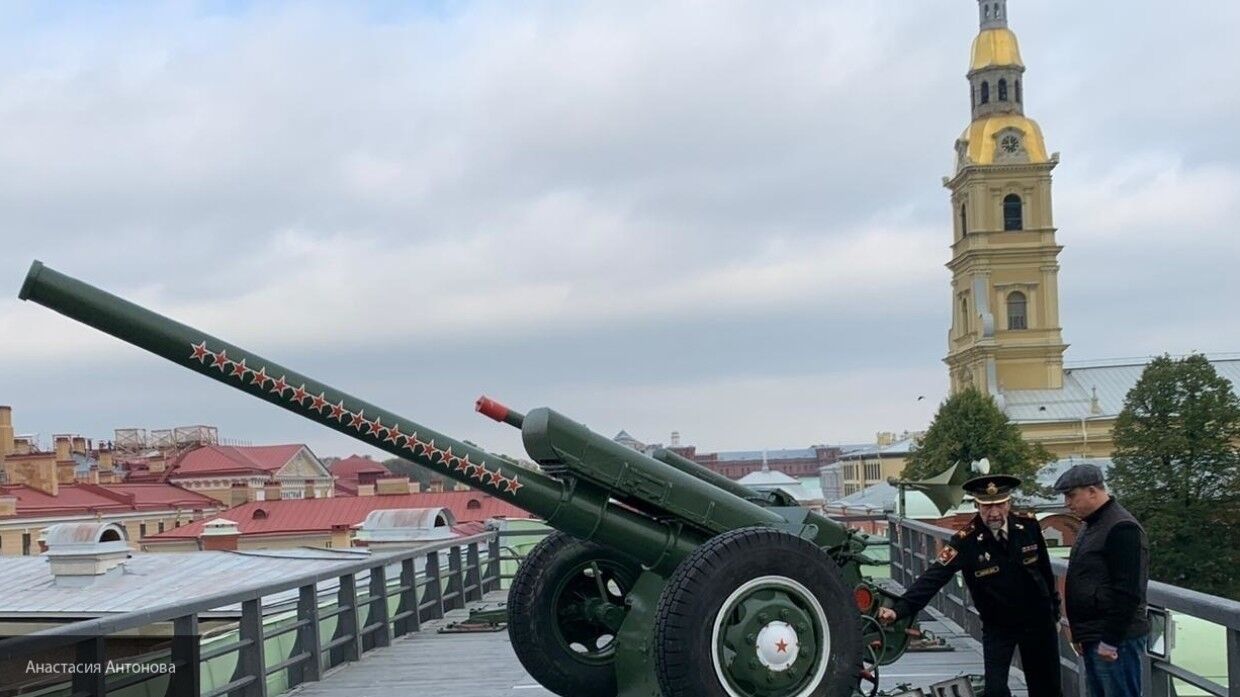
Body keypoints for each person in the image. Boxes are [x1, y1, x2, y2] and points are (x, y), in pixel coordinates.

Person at [878, 474, 1062, 697]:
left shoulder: (1029, 528)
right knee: (995, 691)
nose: (994, 513)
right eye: (986, 507)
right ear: (977, 505)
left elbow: (1045, 572)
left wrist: (1055, 612)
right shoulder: (966, 541)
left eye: (999, 505)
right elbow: (933, 578)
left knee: (1047, 688)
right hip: (999, 626)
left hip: (1038, 621)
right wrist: (899, 610)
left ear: (1009, 503)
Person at [1054, 463, 1149, 697]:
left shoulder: (1121, 528)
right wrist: (1079, 633)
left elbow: (1128, 590)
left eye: (1071, 495)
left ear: (1093, 491)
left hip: (1115, 640)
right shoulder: (1093, 524)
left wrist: (1111, 640)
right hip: (1095, 635)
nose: (1067, 503)